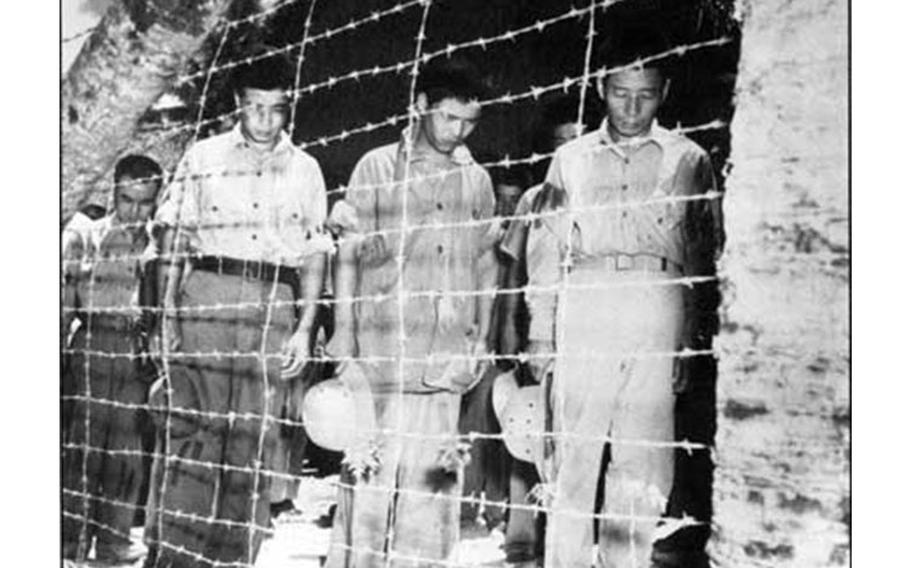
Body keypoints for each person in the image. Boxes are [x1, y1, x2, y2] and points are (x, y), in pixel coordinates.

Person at [513, 37, 724, 567]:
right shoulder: (570, 158)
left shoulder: (690, 160)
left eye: (646, 95)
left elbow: (702, 257)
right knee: (573, 452)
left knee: (645, 457)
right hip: (588, 298)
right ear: (601, 88)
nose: (631, 108)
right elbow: (547, 247)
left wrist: (686, 342)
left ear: (664, 93)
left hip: (659, 302)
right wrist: (542, 327)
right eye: (620, 93)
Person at [145, 48, 331, 567]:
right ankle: (178, 557)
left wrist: (303, 327)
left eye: (276, 108)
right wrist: (166, 319)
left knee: (252, 437)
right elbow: (174, 242)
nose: (265, 120)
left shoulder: (306, 169)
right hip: (207, 292)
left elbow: (315, 255)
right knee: (193, 432)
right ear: (236, 104)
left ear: (289, 107)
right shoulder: (203, 157)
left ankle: (233, 558)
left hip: (272, 302)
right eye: (254, 107)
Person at [324, 59, 498, 567]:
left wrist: (482, 335)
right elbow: (350, 255)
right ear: (420, 106)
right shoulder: (376, 167)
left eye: (470, 122)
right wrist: (342, 332)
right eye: (448, 118)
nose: (458, 131)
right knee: (370, 474)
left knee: (435, 479)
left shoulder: (477, 180)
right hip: (383, 349)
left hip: (445, 355)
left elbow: (486, 261)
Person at [62, 154, 163, 563]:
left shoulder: (158, 243)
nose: (135, 211)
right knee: (81, 449)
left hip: (135, 353)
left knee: (127, 455)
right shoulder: (85, 236)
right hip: (91, 345)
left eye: (145, 202)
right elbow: (65, 303)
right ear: (113, 193)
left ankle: (113, 543)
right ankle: (68, 541)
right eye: (127, 200)